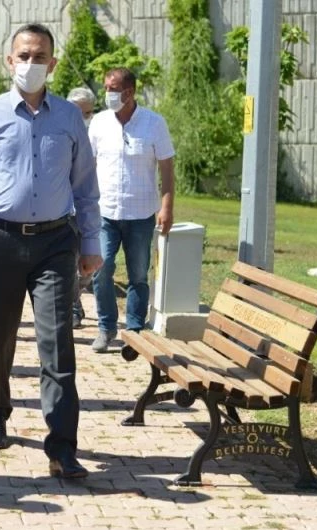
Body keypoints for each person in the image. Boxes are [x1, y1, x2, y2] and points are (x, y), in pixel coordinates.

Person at [0, 23, 102, 479]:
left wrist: (90, 243)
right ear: (9, 60)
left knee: (57, 342)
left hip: (55, 243)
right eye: (23, 55)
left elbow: (86, 187)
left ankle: (62, 446)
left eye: (39, 57)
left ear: (52, 63)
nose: (30, 63)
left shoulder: (69, 117)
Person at [89, 67, 175, 352]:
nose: (108, 94)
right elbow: (87, 166)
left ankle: (135, 329)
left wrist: (167, 207)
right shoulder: (99, 123)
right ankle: (106, 327)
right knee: (101, 269)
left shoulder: (154, 123)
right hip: (105, 211)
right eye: (106, 88)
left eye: (113, 89)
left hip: (140, 214)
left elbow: (167, 168)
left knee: (138, 273)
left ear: (130, 92)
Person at [66, 86, 97, 328]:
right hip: (65, 210)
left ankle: (75, 297)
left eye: (87, 113)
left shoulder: (98, 132)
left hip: (90, 208)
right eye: (79, 112)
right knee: (69, 262)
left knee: (90, 266)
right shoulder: (62, 130)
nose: (83, 117)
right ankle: (73, 307)